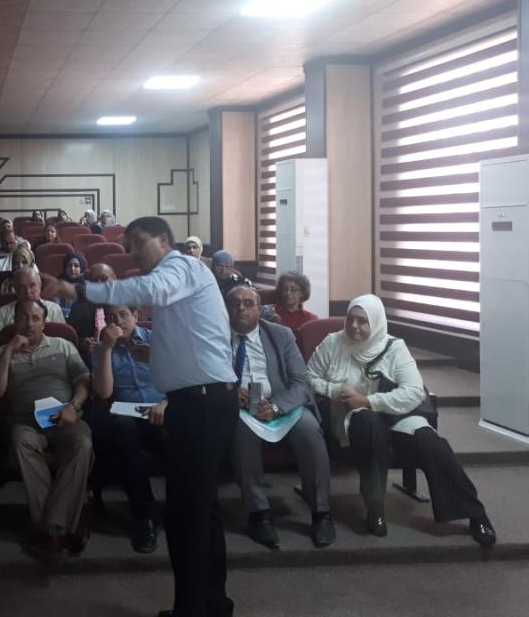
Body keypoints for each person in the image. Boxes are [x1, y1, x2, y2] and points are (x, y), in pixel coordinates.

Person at [44, 216, 238, 617]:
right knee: (201, 510)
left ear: (163, 240)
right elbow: (192, 341)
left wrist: (75, 288)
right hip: (203, 401)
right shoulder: (181, 278)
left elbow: (146, 289)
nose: (131, 252)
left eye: (137, 242)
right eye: (128, 243)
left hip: (201, 406)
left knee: (187, 515)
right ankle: (212, 605)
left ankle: (192, 612)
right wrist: (156, 355)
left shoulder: (180, 266)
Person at [307, 295, 496, 546]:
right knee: (368, 423)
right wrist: (335, 390)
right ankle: (375, 507)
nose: (353, 326)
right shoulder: (333, 343)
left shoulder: (395, 348)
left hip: (397, 415)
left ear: (376, 322)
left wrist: (369, 401)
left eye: (362, 321)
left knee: (431, 443)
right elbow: (308, 377)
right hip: (353, 419)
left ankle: (474, 512)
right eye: (350, 319)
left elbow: (414, 392)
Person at [225, 285, 335, 550]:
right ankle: (258, 513)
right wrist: (229, 393)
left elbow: (302, 383)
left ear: (259, 309)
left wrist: (276, 406)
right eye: (235, 303)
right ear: (226, 309)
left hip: (282, 404)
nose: (241, 308)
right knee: (242, 432)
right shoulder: (215, 336)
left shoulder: (280, 335)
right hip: (240, 409)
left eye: (248, 303)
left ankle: (321, 511)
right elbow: (206, 377)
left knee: (309, 430)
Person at [0, 298, 93, 557]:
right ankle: (65, 526)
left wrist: (73, 406)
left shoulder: (63, 346)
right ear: (14, 321)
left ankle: (49, 528)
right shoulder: (1, 353)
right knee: (21, 442)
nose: (29, 324)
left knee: (83, 444)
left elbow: (84, 381)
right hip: (26, 421)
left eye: (35, 318)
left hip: (66, 417)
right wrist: (8, 351)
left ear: (44, 322)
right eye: (23, 318)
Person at [89, 303, 168, 553]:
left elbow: (179, 381)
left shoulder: (157, 340)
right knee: (123, 431)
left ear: (136, 315)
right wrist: (107, 349)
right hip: (127, 415)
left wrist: (166, 403)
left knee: (177, 435)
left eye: (123, 315)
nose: (118, 322)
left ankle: (183, 506)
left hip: (161, 409)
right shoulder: (101, 349)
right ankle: (145, 514)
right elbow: (104, 392)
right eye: (111, 317)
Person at [0, 268, 65, 354]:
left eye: (32, 285)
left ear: (40, 286)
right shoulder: (3, 311)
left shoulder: (54, 309)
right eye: (22, 287)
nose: (28, 291)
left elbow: (64, 339)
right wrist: (7, 349)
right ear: (15, 289)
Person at [67, 263, 116, 355]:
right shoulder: (80, 305)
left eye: (104, 279)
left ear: (114, 278)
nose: (99, 284)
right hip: (87, 355)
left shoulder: (125, 303)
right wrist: (83, 342)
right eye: (94, 280)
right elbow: (71, 335)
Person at [54, 252, 86, 319]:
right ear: (65, 268)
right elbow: (55, 308)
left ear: (81, 268)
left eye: (76, 266)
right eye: (69, 266)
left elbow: (82, 312)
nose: (72, 269)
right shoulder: (58, 284)